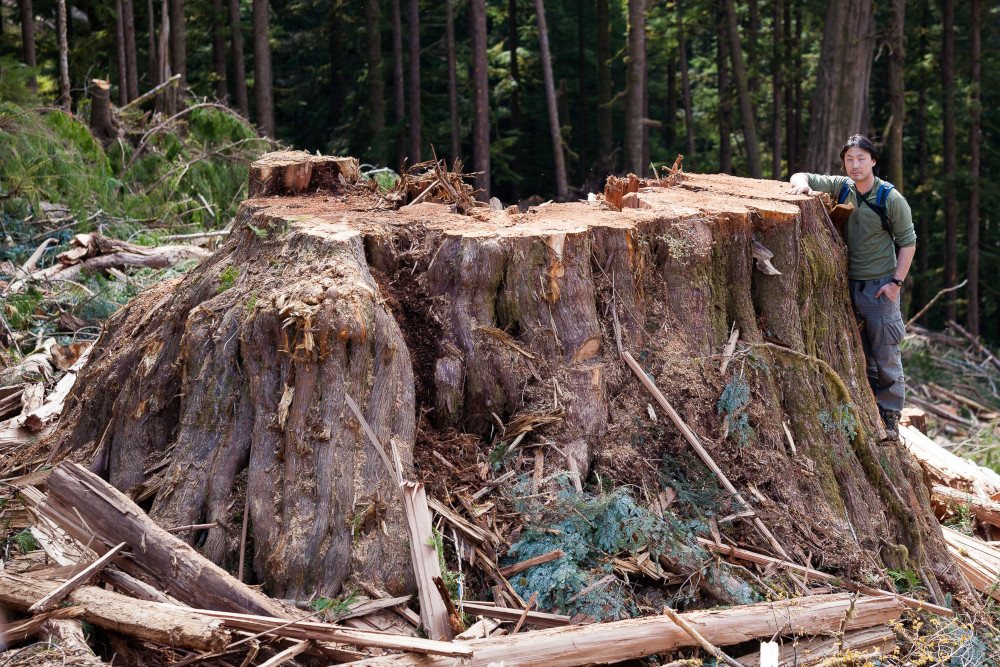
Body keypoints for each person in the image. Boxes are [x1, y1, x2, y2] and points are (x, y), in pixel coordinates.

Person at [787, 135, 916, 440]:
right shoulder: (844, 186)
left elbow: (908, 243)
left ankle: (890, 418)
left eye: (861, 158)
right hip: (847, 286)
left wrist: (895, 284)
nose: (855, 165)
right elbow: (800, 175)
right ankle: (869, 409)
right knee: (860, 353)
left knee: (885, 353)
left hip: (879, 287)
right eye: (849, 159)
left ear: (873, 160)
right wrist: (802, 185)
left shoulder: (890, 198)